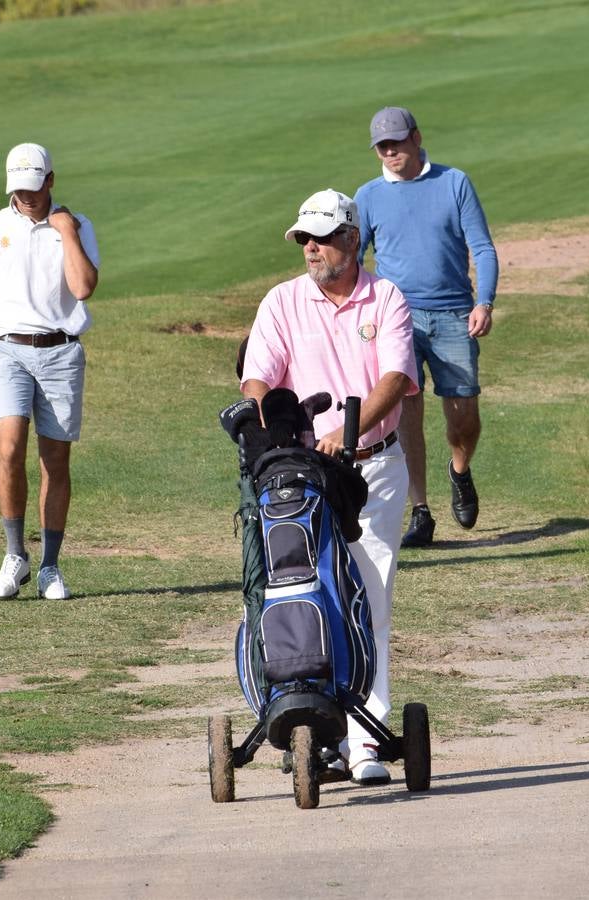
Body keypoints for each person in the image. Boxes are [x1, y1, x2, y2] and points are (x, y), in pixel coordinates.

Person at [240, 188, 417, 785]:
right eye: (303, 240)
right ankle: (312, 724)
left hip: (371, 466)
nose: (310, 249)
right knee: (304, 593)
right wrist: (267, 422)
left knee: (370, 596)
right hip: (304, 476)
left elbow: (395, 379)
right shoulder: (283, 301)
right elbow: (258, 377)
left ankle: (366, 743)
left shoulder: (385, 297)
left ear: (350, 239)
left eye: (320, 238)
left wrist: (347, 429)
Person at [355, 106, 499, 547]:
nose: (391, 151)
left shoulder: (454, 183)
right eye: (383, 146)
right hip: (396, 317)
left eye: (397, 142)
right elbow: (354, 260)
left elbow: (483, 247)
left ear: (416, 138)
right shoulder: (368, 195)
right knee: (405, 419)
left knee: (463, 419)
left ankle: (459, 469)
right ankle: (421, 511)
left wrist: (484, 302)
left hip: (455, 314)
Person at [0, 142, 100, 600]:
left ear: (51, 181)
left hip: (61, 353)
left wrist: (65, 230)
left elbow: (82, 287)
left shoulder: (76, 226)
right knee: (9, 447)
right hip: (7, 352)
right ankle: (14, 554)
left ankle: (50, 567)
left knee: (55, 461)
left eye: (35, 187)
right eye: (18, 190)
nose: (27, 197)